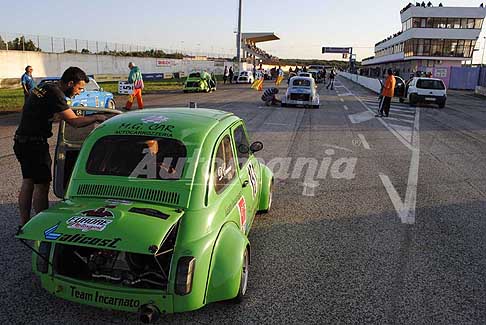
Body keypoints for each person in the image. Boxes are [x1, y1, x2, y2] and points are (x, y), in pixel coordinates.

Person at [14, 67, 108, 231]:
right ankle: (42, 227)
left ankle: (24, 224)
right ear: (70, 83)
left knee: (28, 181)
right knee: (41, 185)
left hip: (22, 141)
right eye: (79, 88)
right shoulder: (56, 94)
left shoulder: (46, 86)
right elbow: (75, 122)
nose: (79, 92)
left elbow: (41, 109)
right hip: (34, 144)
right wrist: (97, 117)